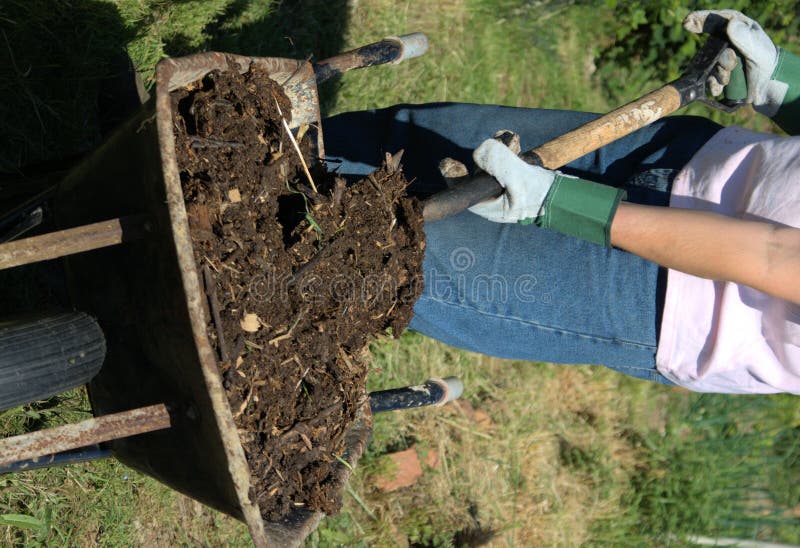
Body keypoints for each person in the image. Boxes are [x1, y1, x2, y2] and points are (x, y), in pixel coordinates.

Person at [323, 9, 800, 394]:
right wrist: (783, 85)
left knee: (377, 260)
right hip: (689, 156)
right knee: (398, 139)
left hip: (664, 292)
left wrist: (558, 204)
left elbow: (775, 254)